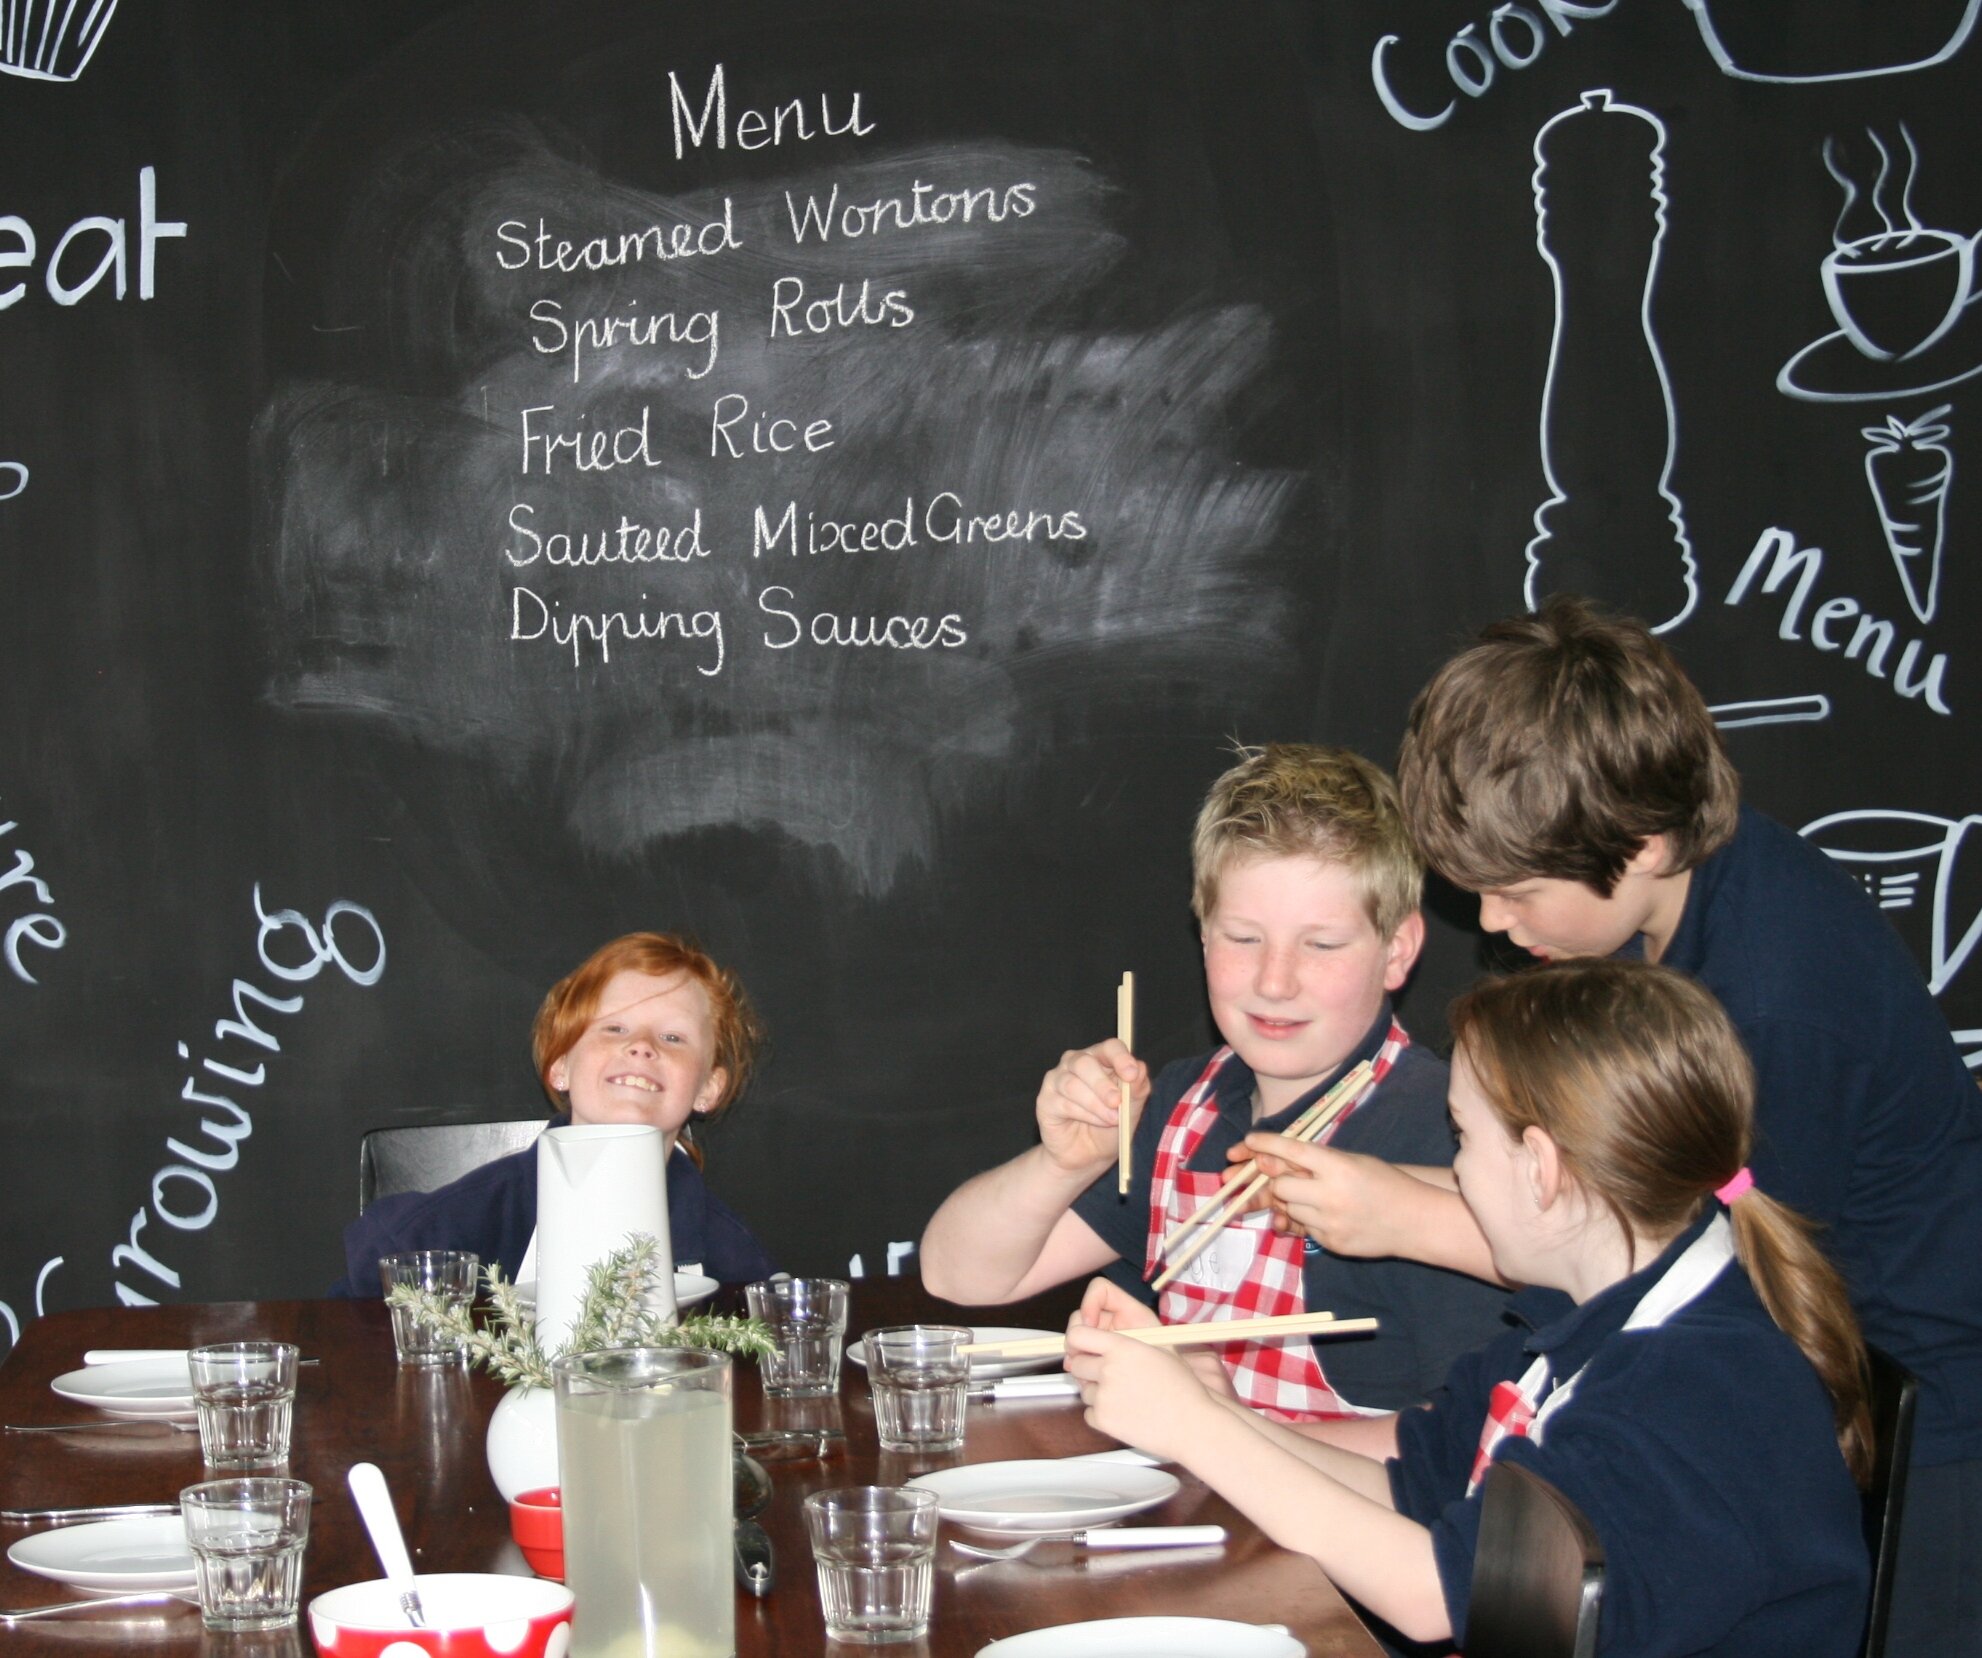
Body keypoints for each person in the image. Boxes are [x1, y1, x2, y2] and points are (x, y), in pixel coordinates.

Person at [1266, 595, 1979, 1653]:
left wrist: (1407, 1217)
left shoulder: (1776, 999)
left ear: (1640, 842)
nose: (1496, 925)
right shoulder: (1682, 902)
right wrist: (1396, 1192)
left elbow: (1691, 1257)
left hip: (1926, 1430)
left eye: (1514, 892)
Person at [1066, 961, 1872, 1658]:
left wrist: (1195, 1431)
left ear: (1541, 1168)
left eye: (1463, 1138)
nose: (1450, 1167)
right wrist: (1218, 1409)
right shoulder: (1583, 1315)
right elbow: (1417, 1481)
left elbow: (1443, 1596)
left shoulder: (1699, 1386)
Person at [920, 744, 1511, 1417]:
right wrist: (1061, 1164)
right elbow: (957, 1277)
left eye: (1320, 945)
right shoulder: (1183, 1103)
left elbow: (1469, 1456)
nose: (1274, 981)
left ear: (1397, 951)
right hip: (1192, 1506)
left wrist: (1216, 1433)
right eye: (1242, 937)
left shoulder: (1442, 1131)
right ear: (1201, 936)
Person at [333, 932, 776, 1294]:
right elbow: (357, 1308)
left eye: (673, 1038)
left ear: (708, 1088)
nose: (642, 1045)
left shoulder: (731, 1259)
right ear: (561, 1066)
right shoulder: (471, 1220)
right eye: (614, 1028)